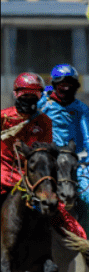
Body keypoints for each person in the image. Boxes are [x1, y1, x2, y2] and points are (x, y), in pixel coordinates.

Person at [39, 64, 89, 239]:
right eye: (61, 83)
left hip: (75, 163)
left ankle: (88, 243)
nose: (66, 87)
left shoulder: (81, 108)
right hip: (46, 163)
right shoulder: (42, 104)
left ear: (75, 86)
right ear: (54, 84)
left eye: (70, 84)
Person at [1, 73, 54, 212]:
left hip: (32, 175)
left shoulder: (45, 122)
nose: (29, 99)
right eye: (25, 95)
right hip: (4, 171)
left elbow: (45, 152)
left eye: (33, 96)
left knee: (56, 206)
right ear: (16, 94)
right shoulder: (3, 117)